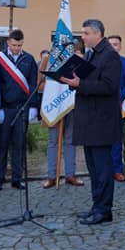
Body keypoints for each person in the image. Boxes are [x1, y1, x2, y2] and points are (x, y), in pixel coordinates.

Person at [60, 19, 121, 226]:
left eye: (85, 33)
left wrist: (81, 84)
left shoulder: (110, 56)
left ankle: (104, 210)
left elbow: (109, 87)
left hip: (101, 122)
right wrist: (73, 82)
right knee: (94, 169)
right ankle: (97, 206)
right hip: (89, 120)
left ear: (97, 34)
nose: (82, 37)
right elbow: (88, 81)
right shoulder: (91, 54)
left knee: (103, 169)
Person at [0, 28, 39, 191]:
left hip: (22, 108)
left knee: (19, 145)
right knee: (2, 144)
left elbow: (33, 83)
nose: (16, 48)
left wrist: (34, 106)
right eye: (13, 45)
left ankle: (17, 178)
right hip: (5, 108)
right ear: (8, 43)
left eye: (19, 45)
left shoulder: (29, 59)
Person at [42, 45, 82, 188]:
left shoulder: (77, 61)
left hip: (72, 105)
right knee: (53, 142)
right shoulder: (48, 60)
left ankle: (70, 174)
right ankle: (51, 176)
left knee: (70, 141)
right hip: (55, 105)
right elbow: (40, 84)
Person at [108, 35, 125, 182]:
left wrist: (117, 98)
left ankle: (117, 170)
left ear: (120, 46)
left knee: (116, 138)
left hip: (119, 105)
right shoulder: (101, 63)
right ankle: (105, 169)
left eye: (116, 44)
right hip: (103, 106)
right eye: (110, 44)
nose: (113, 47)